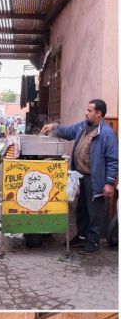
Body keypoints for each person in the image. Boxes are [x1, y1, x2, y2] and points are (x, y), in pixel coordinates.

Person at [41, 99, 118, 254]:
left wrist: (109, 182)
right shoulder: (83, 126)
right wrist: (54, 127)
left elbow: (113, 160)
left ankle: (94, 242)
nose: (86, 112)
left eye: (89, 110)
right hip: (80, 176)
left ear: (99, 113)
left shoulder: (106, 133)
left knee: (94, 211)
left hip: (94, 179)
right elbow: (68, 131)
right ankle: (82, 237)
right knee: (81, 208)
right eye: (87, 109)